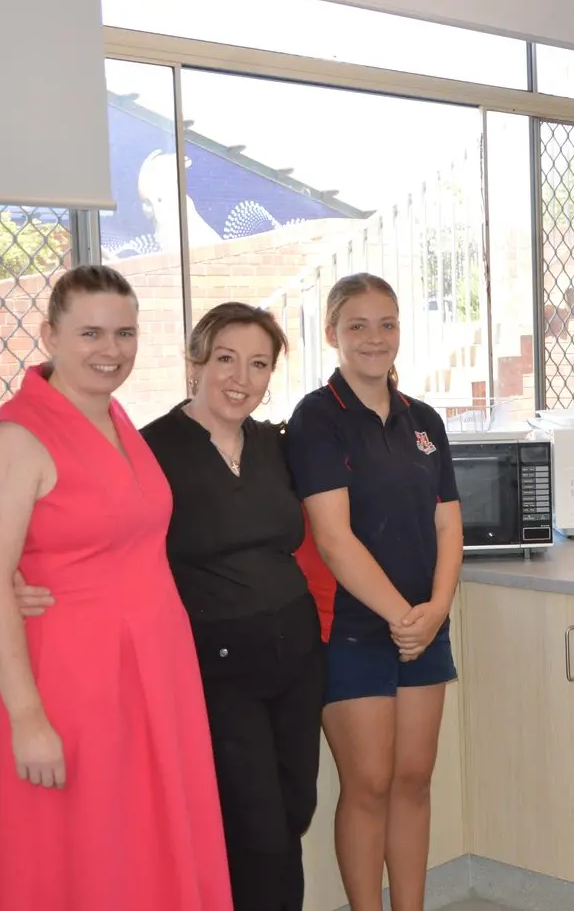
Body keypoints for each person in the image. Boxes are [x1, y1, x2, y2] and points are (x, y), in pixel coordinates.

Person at [0, 265, 231, 911]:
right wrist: (27, 719)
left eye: (124, 333)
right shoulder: (16, 437)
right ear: (48, 334)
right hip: (75, 690)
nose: (109, 350)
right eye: (90, 333)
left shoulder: (115, 421)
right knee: (88, 861)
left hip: (152, 680)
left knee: (147, 853)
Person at [138, 303, 327, 911]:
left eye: (258, 364)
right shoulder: (151, 450)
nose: (239, 378)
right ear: (197, 361)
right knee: (257, 827)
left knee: (296, 807)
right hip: (218, 667)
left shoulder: (276, 445)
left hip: (297, 655)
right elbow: (107, 540)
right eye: (225, 359)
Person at [285, 272, 462, 911]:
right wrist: (402, 617)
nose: (374, 338)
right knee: (368, 784)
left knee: (413, 781)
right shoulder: (317, 419)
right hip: (351, 630)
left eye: (386, 323)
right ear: (332, 334)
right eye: (356, 325)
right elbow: (333, 539)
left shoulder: (424, 419)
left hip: (422, 625)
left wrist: (435, 610)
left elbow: (448, 521)